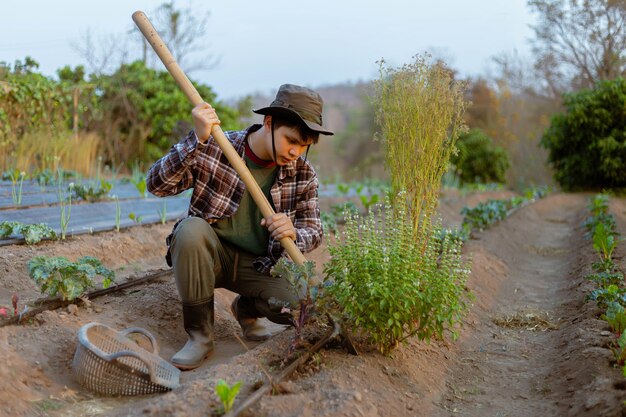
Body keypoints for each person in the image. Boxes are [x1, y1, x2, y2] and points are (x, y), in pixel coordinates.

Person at [146, 84, 333, 370]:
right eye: (290, 140)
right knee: (190, 230)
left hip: (259, 266)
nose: (296, 151)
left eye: (304, 146)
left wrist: (294, 232)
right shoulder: (217, 146)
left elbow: (314, 229)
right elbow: (156, 185)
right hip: (210, 257)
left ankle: (247, 308)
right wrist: (196, 139)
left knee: (304, 304)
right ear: (269, 122)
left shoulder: (304, 174)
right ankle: (200, 336)